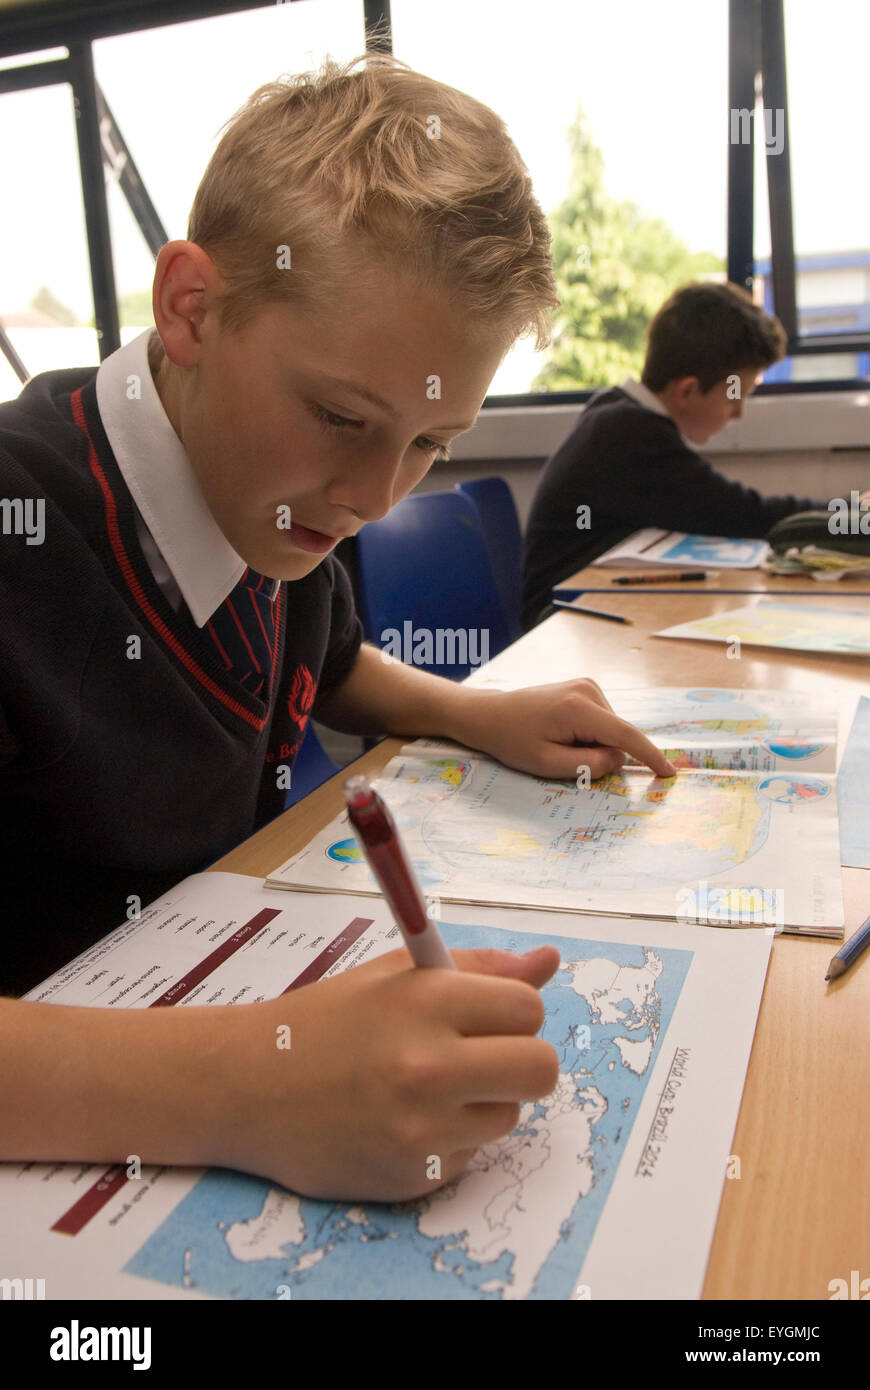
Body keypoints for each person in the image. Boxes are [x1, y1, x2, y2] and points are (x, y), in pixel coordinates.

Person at [0, 53, 673, 1203]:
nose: (377, 494)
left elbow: (327, 661)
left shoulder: (278, 499)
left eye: (432, 443)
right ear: (191, 307)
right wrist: (246, 1088)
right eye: (342, 416)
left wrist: (479, 710)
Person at [522, 281, 823, 628]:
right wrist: (846, 515)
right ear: (688, 390)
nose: (738, 413)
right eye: (734, 396)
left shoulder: (619, 412)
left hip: (586, 615)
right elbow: (745, 514)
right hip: (558, 627)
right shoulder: (630, 434)